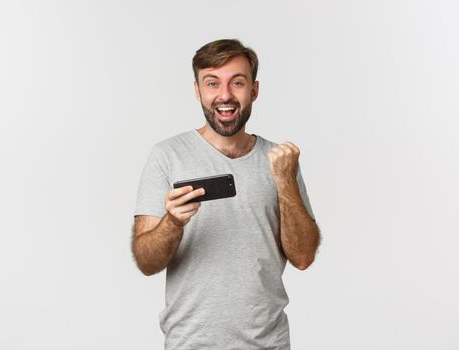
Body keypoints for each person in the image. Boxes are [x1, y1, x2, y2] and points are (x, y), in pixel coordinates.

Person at [132, 38, 321, 349]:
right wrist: (172, 223)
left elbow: (303, 257)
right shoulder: (167, 156)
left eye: (237, 83)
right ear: (197, 91)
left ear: (254, 91)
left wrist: (285, 183)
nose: (225, 95)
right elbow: (146, 262)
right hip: (191, 343)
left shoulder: (280, 160)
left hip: (268, 343)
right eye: (212, 83)